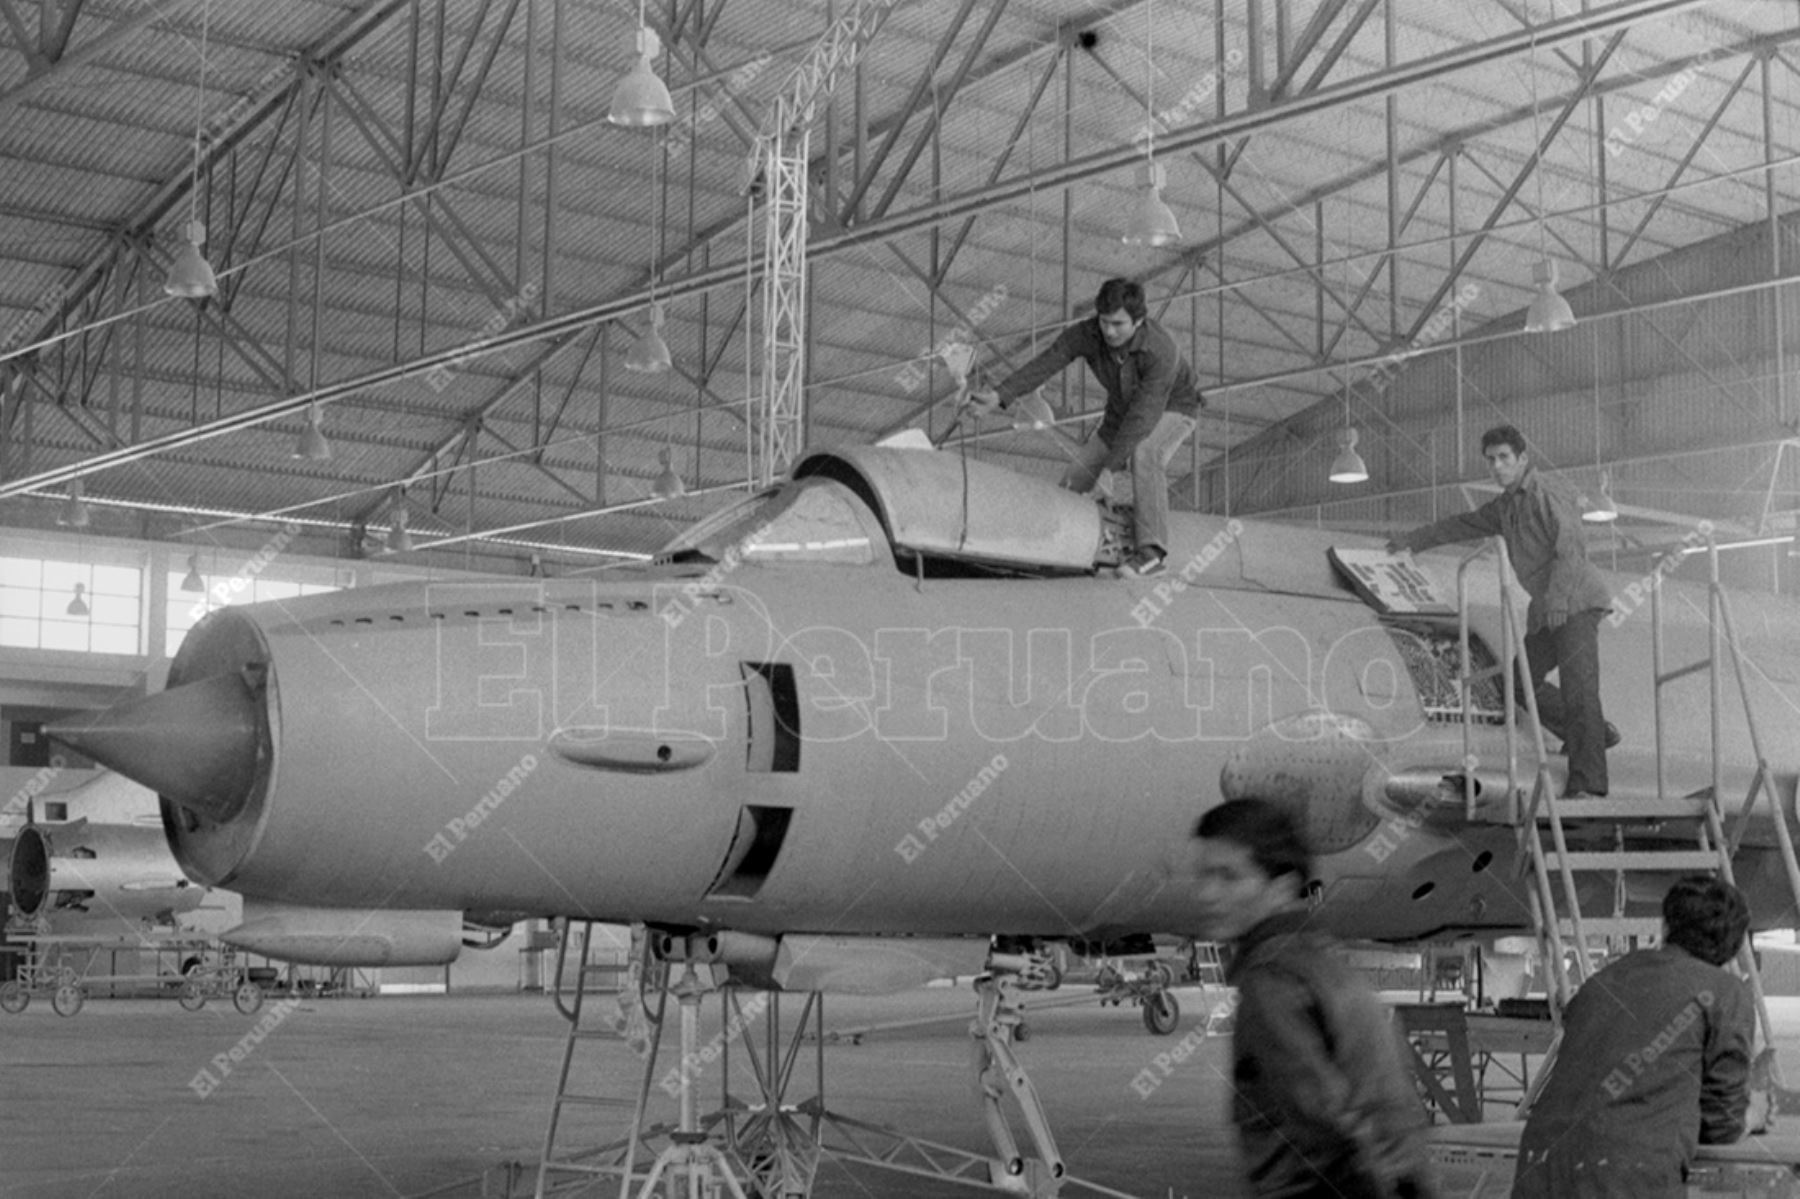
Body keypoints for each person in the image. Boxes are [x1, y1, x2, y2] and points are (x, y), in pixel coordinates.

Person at [1191, 797, 1436, 1198]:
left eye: (1228, 877)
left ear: (1282, 886)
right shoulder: (1324, 957)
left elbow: (1323, 1127)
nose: (1208, 894)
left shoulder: (1271, 980)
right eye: (1203, 876)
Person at [1385, 424, 1616, 798]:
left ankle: (1588, 785)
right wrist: (1415, 540)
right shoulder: (1505, 508)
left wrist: (1558, 599)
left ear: (1523, 459)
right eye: (1491, 460)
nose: (1497, 466)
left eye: (1504, 458)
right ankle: (1596, 733)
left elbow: (1571, 547)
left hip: (1576, 602)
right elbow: (1463, 525)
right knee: (1516, 683)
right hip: (1546, 611)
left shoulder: (1547, 492)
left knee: (1580, 689)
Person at [1511, 875, 1756, 1198]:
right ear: (1735, 943)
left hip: (1539, 1169)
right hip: (1626, 1178)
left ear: (1666, 927)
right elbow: (1720, 1124)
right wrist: (1753, 1114)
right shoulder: (1725, 993)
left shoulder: (1602, 981)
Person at [969, 277, 1202, 577]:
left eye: (1118, 324)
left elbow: (1143, 418)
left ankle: (1152, 553)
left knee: (1145, 453)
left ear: (1139, 321)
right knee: (1075, 478)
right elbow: (1048, 362)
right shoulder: (1088, 334)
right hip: (1120, 415)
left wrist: (1109, 472)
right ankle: (1053, 546)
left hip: (1173, 408)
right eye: (1104, 322)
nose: (1109, 331)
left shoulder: (1161, 351)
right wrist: (1000, 395)